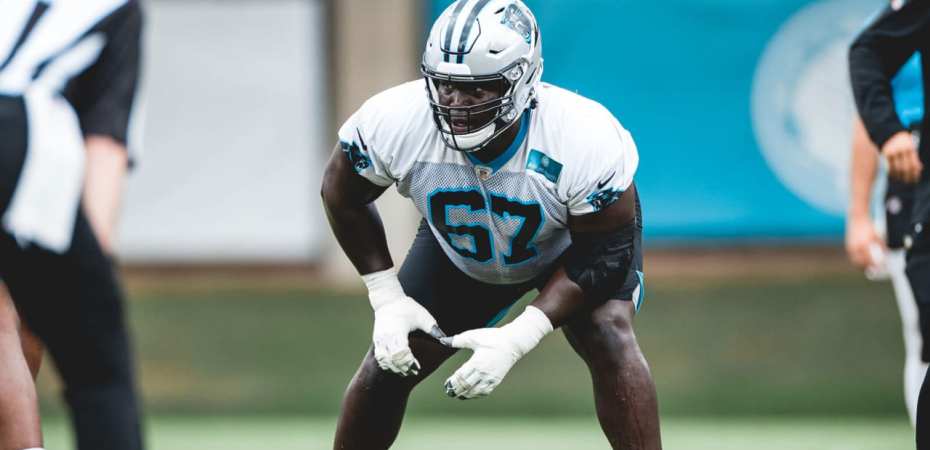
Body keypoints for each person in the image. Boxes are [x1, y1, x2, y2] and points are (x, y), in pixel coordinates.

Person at [321, 1, 661, 449]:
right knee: (389, 360)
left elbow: (605, 254)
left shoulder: (582, 136)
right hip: (463, 251)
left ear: (523, 81)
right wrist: (386, 296)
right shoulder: (395, 121)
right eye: (445, 85)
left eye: (478, 89)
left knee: (608, 333)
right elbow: (341, 194)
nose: (455, 103)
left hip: (569, 249)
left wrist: (521, 335)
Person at [0, 1, 144, 449]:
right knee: (97, 369)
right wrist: (89, 291)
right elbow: (105, 149)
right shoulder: (119, 10)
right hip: (21, 138)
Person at [849, 0, 930, 447]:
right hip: (911, 179)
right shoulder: (892, 27)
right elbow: (868, 123)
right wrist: (859, 216)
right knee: (922, 333)